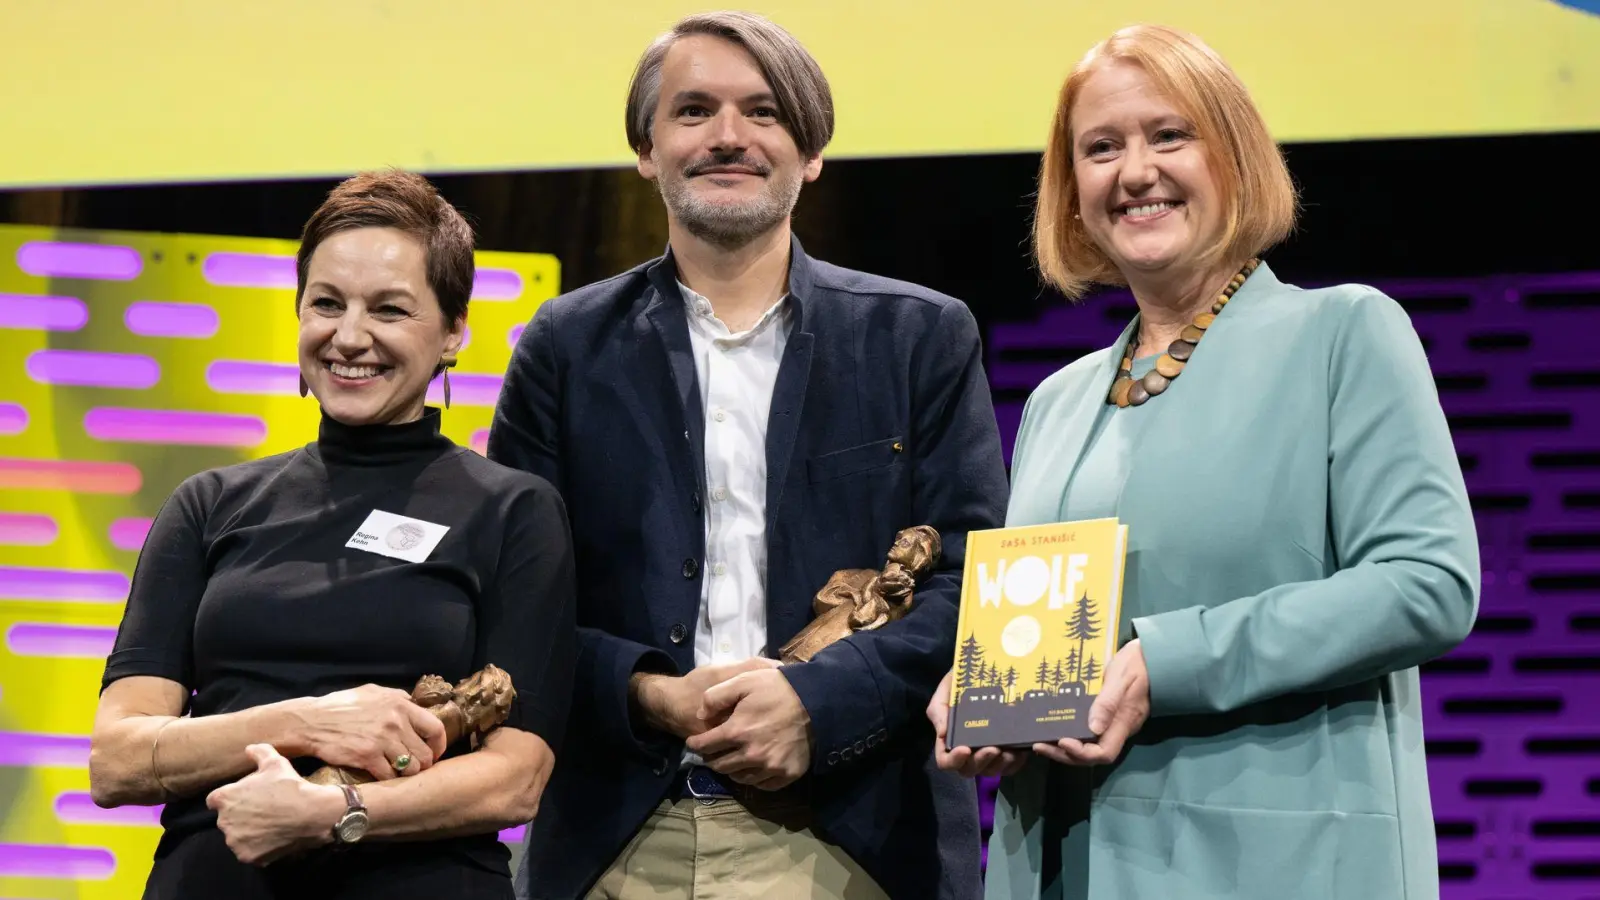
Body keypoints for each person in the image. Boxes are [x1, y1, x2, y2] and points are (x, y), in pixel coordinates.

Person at [927, 24, 1479, 900]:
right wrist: (980, 693)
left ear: (1235, 158)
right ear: (1072, 193)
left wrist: (1162, 663)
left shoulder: (1341, 335)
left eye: (1169, 135)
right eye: (1100, 149)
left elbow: (1427, 583)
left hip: (1276, 865)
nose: (1134, 171)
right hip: (1057, 864)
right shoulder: (1056, 402)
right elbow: (1038, 624)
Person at [488, 10, 1008, 900]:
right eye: (693, 111)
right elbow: (516, 604)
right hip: (613, 844)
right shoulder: (563, 345)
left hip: (852, 842)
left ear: (811, 153)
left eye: (763, 112)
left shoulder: (920, 335)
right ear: (645, 149)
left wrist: (818, 702)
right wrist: (651, 695)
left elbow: (974, 586)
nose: (729, 137)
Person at [90, 170, 577, 900]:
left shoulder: (513, 510)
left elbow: (516, 779)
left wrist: (335, 811)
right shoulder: (209, 503)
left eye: (389, 309)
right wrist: (311, 724)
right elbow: (117, 760)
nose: (350, 337)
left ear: (453, 333)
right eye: (326, 304)